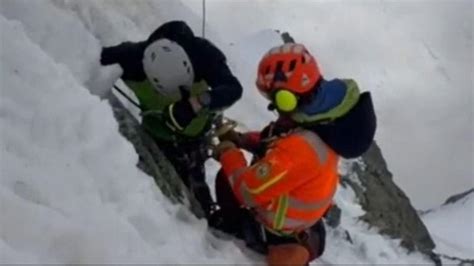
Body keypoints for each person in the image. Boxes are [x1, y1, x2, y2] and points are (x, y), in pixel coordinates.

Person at [211, 43, 376, 265]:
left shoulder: (302, 147)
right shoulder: (318, 117)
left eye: (274, 98)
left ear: (286, 98)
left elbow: (249, 191)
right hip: (304, 220)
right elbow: (274, 138)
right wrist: (242, 139)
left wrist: (229, 152)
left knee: (228, 179)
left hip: (283, 232)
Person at [100, 20, 243, 218]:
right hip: (157, 139)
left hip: (196, 139)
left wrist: (197, 103)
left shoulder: (203, 55)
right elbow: (88, 56)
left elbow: (233, 89)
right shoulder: (131, 58)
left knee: (197, 199)